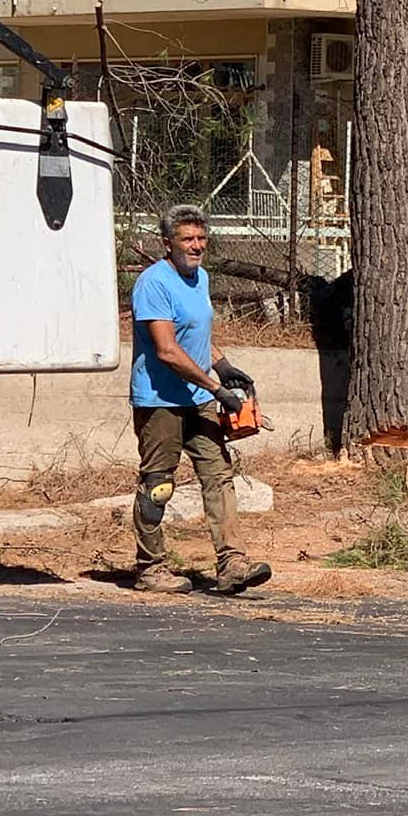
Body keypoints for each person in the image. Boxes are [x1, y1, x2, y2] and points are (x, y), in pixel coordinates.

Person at [128, 205, 271, 596]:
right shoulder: (153, 284)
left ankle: (232, 563)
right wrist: (216, 388)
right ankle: (150, 568)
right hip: (160, 401)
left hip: (199, 397)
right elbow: (167, 350)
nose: (196, 246)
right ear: (167, 244)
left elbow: (198, 336)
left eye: (201, 239)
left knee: (219, 475)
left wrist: (223, 366)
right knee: (158, 485)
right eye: (187, 240)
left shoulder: (200, 277)